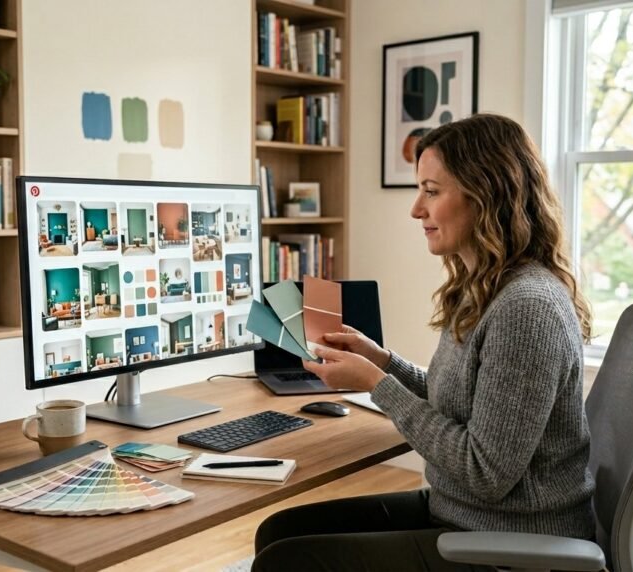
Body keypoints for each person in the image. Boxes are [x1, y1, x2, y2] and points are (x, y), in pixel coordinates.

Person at [251, 114, 597, 571]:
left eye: (431, 191)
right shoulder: (485, 287)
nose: (417, 209)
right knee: (278, 532)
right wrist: (383, 361)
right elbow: (461, 402)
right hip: (465, 514)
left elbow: (485, 473)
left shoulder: (526, 308)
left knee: (288, 561)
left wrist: (377, 385)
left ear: (486, 194)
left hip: (512, 539)